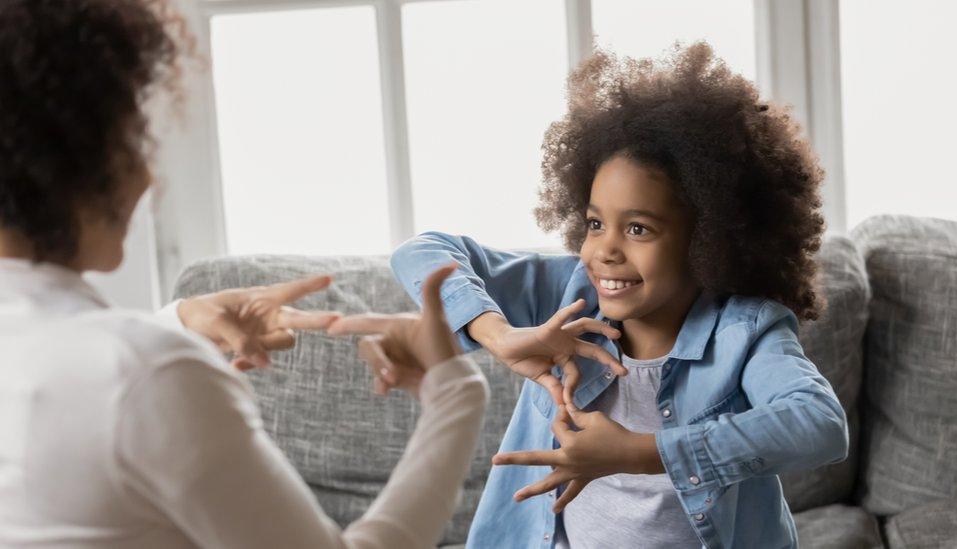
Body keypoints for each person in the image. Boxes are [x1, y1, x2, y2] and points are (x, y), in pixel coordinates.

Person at [0, 1, 488, 547]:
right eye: (133, 139)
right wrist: (457, 394)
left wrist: (178, 322)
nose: (145, 176)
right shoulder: (148, 375)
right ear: (72, 158)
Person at [390, 44, 847, 548]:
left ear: (709, 239)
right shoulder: (569, 294)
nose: (604, 250)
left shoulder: (746, 332)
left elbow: (820, 425)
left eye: (637, 228)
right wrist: (496, 335)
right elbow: (422, 252)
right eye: (594, 223)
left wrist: (640, 452)